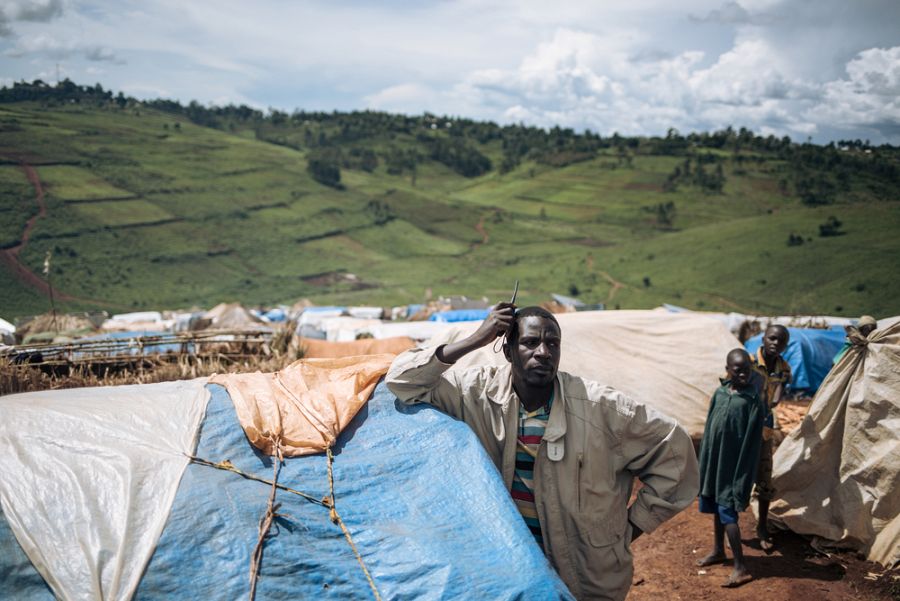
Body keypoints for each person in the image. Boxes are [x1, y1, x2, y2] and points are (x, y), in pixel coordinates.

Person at [386, 304, 699, 601]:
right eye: (530, 342)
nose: (544, 353)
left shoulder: (600, 409)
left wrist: (626, 530)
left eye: (553, 343)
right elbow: (403, 382)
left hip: (584, 575)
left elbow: (675, 449)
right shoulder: (477, 395)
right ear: (508, 351)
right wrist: (475, 339)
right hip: (511, 572)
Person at [696, 348, 765, 588]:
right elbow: (709, 429)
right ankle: (718, 551)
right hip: (715, 462)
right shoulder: (720, 393)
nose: (744, 374)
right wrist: (704, 461)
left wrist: (744, 473)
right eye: (738, 370)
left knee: (727, 511)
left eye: (747, 369)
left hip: (734, 466)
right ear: (728, 370)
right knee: (716, 503)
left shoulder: (753, 401)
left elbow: (752, 442)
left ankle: (741, 567)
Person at [749, 324, 791, 551]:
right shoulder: (748, 362)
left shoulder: (783, 368)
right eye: (772, 338)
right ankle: (730, 525)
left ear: (785, 345)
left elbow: (778, 394)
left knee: (764, 476)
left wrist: (774, 397)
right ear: (763, 338)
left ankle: (762, 527)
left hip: (764, 428)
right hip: (743, 426)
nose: (775, 343)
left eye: (781, 341)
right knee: (739, 477)